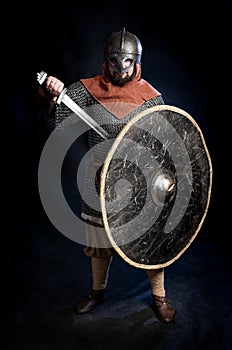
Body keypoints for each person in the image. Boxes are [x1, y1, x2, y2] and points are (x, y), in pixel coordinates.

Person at [37, 28, 176, 323]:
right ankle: (97, 291)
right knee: (99, 244)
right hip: (98, 177)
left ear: (136, 63)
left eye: (127, 63)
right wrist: (52, 96)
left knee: (150, 239)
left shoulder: (150, 98)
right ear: (105, 61)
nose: (121, 69)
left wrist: (163, 176)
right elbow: (60, 120)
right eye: (114, 62)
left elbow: (164, 142)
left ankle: (159, 296)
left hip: (139, 178)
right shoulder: (86, 91)